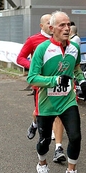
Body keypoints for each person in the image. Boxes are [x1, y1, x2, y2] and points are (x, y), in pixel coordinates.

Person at [27, 11, 86, 173]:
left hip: (67, 100)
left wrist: (82, 81)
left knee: (76, 137)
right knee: (45, 141)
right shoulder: (42, 49)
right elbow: (31, 78)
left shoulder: (74, 48)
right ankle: (42, 165)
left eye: (68, 24)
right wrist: (54, 81)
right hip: (47, 103)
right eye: (62, 25)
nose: (66, 28)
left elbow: (76, 67)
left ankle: (71, 172)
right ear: (51, 28)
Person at [18, 14, 68, 164]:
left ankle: (58, 148)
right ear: (43, 26)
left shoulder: (63, 41)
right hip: (41, 85)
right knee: (38, 113)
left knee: (59, 113)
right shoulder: (33, 40)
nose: (51, 25)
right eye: (48, 22)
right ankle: (34, 124)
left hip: (59, 85)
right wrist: (33, 67)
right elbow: (20, 58)